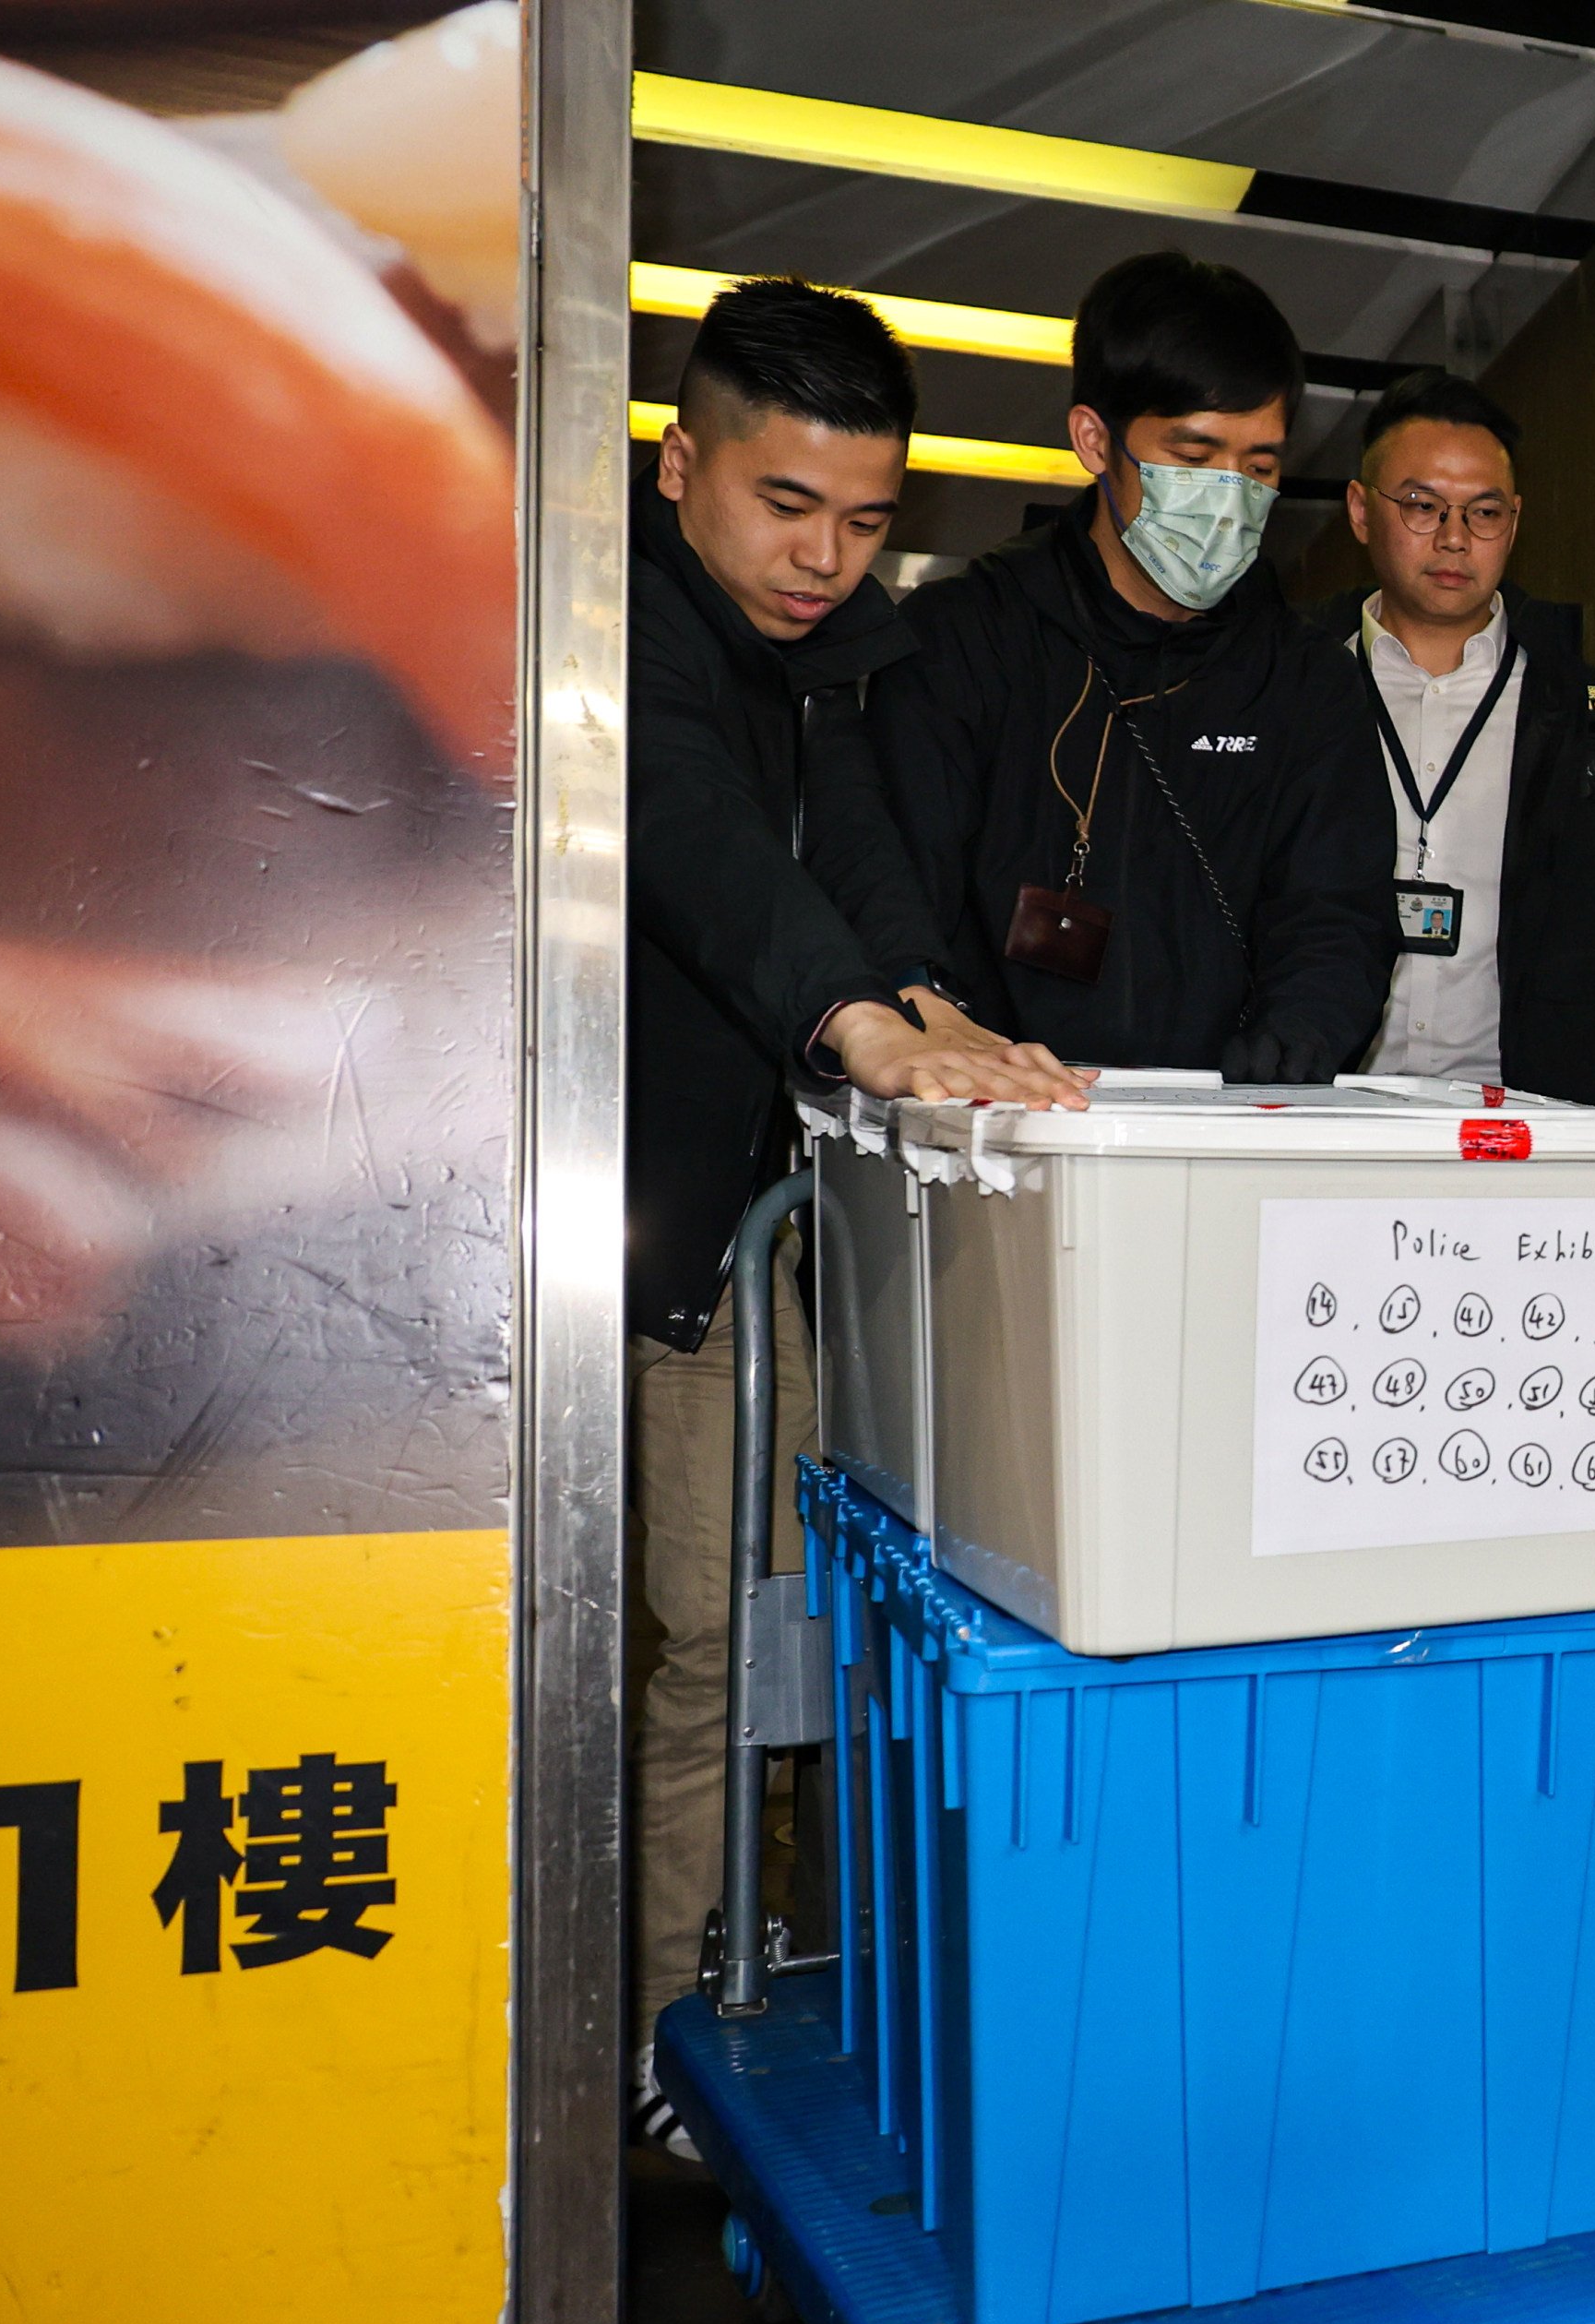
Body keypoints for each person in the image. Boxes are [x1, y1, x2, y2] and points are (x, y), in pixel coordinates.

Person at [627, 278, 1085, 2156]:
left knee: (770, 1623)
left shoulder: (832, 660)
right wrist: (862, 1025)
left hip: (764, 1213)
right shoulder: (614, 630)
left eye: (869, 520)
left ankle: (737, 1976)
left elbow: (874, 865)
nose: (825, 557)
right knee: (706, 1641)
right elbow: (699, 851)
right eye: (785, 506)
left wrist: (944, 1009)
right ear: (680, 468)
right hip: (636, 1225)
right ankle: (661, 2031)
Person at [876, 251, 1395, 1078]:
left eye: (1259, 466)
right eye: (1193, 458)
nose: (1229, 494)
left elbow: (1335, 923)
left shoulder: (1307, 683)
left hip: (1222, 1135)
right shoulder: (966, 640)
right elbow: (897, 889)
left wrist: (1266, 1082)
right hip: (996, 1121)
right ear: (1094, 440)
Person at [1325, 370, 1595, 1104]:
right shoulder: (1291, 690)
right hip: (1320, 1110)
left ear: (1514, 524)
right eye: (1422, 506)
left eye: (1483, 512)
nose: (1454, 538)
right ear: (1362, 511)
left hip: (1526, 1124)